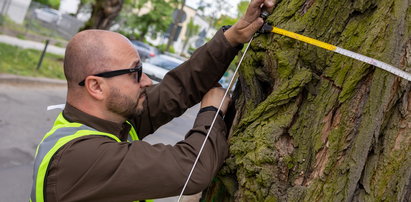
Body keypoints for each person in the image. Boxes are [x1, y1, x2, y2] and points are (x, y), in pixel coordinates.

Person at [30, 0, 274, 201]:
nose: (146, 81)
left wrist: (232, 37)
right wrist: (213, 112)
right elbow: (192, 169)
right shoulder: (78, 157)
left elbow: (177, 88)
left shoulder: (109, 120)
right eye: (135, 73)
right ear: (96, 86)